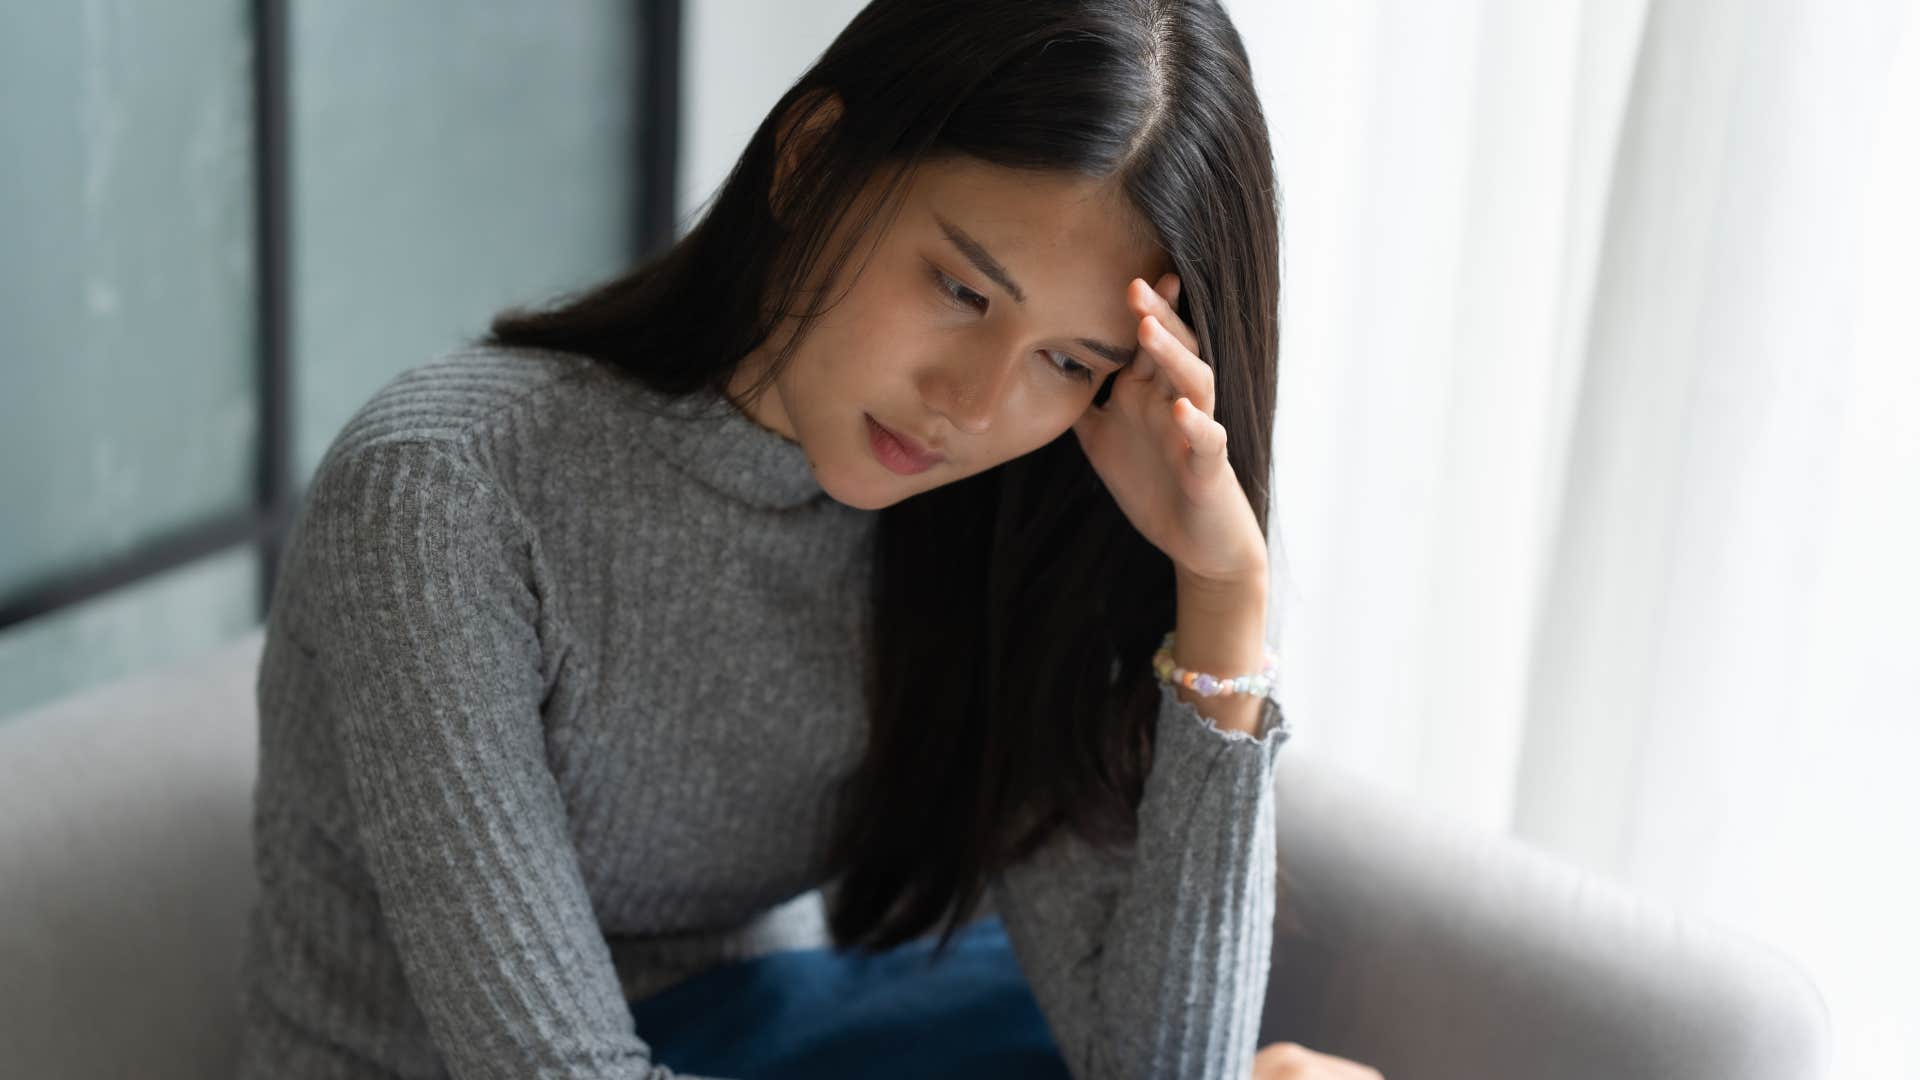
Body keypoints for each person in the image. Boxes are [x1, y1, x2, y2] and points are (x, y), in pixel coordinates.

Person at [232, 1, 1383, 1077]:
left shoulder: (990, 524)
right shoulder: (443, 492)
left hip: (763, 1031)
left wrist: (1221, 587)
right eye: (962, 291)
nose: (974, 404)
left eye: (1069, 361)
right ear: (810, 159)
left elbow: (1166, 1066)